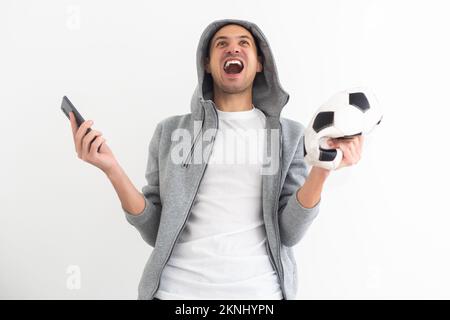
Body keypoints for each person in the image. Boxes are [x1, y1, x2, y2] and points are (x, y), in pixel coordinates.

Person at [69, 19, 364, 300]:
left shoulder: (289, 136)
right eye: (221, 44)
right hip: (176, 294)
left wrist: (322, 170)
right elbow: (155, 231)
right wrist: (112, 169)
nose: (232, 49)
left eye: (243, 43)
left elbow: (290, 232)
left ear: (260, 63)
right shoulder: (171, 132)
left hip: (258, 295)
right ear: (207, 66)